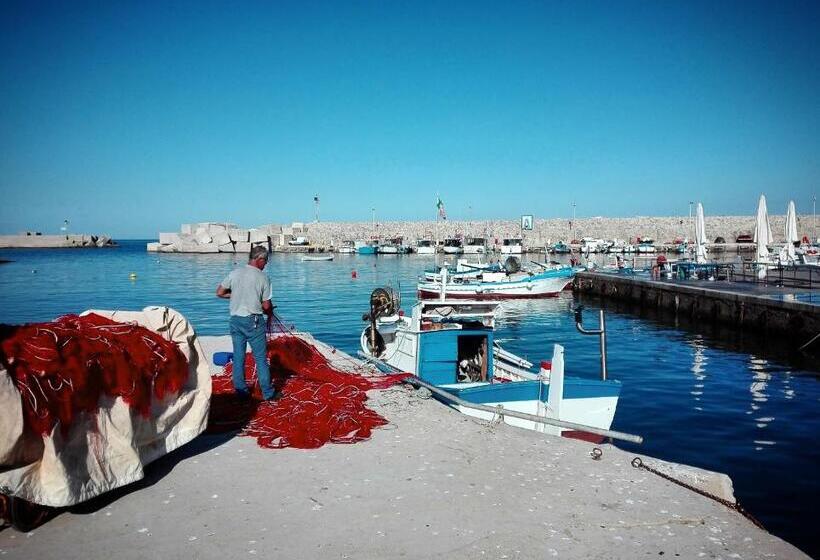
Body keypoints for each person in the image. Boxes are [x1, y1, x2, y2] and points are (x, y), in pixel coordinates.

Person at [216, 246, 277, 400]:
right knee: (261, 358)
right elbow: (266, 306)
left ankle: (241, 391)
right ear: (260, 259)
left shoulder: (235, 273)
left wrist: (236, 295)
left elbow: (219, 292)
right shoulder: (263, 278)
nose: (266, 265)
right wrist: (269, 311)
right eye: (266, 261)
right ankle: (268, 393)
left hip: (235, 320)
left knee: (238, 356)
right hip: (253, 322)